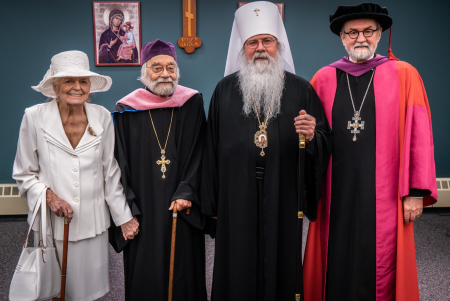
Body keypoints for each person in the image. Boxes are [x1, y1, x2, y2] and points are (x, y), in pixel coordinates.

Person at [303, 3, 438, 301]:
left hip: (387, 192)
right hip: (336, 189)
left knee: (382, 259)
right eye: (352, 32)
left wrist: (415, 192)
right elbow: (313, 139)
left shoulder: (405, 74)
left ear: (380, 34)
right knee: (334, 253)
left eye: (368, 31)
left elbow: (419, 134)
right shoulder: (323, 79)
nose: (360, 38)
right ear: (341, 37)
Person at [200, 2, 332, 300]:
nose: (260, 48)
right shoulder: (223, 91)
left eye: (267, 41)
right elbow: (210, 149)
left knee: (281, 256)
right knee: (237, 257)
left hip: (283, 190)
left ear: (278, 46)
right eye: (252, 43)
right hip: (235, 193)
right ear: (243, 48)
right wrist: (212, 206)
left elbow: (324, 139)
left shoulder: (301, 90)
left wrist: (312, 137)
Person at [12, 50, 139, 301]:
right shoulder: (34, 116)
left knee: (87, 292)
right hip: (52, 224)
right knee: (53, 289)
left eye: (83, 81)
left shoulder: (102, 116)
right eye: (69, 81)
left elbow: (110, 172)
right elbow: (24, 173)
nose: (77, 87)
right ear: (56, 86)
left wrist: (124, 217)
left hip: (93, 223)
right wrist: (50, 198)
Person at [109, 39, 208, 301]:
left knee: (184, 268)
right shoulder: (126, 110)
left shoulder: (192, 103)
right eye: (157, 67)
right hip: (144, 204)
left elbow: (200, 149)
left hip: (183, 201)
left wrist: (187, 190)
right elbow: (118, 163)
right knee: (146, 269)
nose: (165, 73)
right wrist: (128, 208)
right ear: (144, 72)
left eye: (171, 67)